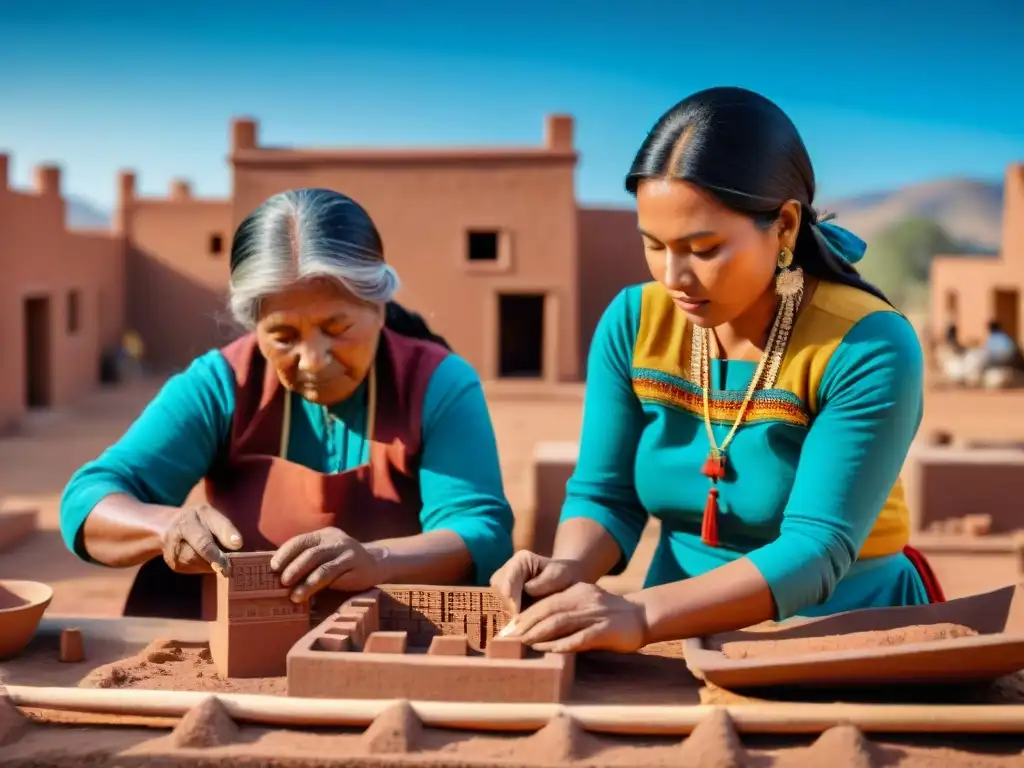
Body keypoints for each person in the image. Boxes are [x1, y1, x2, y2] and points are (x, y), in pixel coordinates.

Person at [490, 87, 944, 655]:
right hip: (674, 634)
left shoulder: (866, 345)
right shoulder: (634, 323)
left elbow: (816, 550)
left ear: (782, 225)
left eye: (702, 248)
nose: (673, 275)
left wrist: (640, 613)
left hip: (839, 635)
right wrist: (568, 568)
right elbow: (605, 495)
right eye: (653, 245)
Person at [60, 188, 514, 619]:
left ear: (378, 307)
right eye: (283, 336)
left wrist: (378, 559)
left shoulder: (437, 382)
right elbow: (88, 498)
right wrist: (165, 526)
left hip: (392, 642)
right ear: (253, 325)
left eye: (337, 329)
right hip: (241, 647)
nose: (313, 362)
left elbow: (480, 529)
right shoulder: (220, 383)